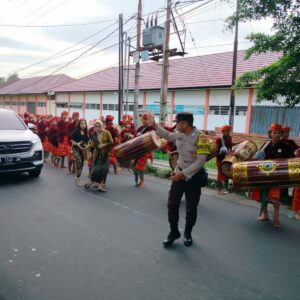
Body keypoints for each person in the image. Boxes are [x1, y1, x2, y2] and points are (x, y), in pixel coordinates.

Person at [148, 112, 210, 247]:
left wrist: (181, 175)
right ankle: (174, 231)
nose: (176, 126)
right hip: (179, 173)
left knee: (191, 208)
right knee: (172, 204)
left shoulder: (201, 138)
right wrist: (154, 125)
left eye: (178, 123)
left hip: (194, 177)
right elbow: (168, 136)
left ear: (185, 124)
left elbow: (200, 162)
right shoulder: (179, 134)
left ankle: (188, 233)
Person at [256, 123, 294, 227]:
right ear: (270, 134)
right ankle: (265, 215)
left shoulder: (286, 146)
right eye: (274, 133)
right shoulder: (266, 145)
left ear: (281, 134)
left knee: (275, 197)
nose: (276, 135)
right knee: (264, 195)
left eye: (278, 133)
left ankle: (276, 218)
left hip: (279, 176)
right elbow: (259, 160)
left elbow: (292, 161)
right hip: (266, 175)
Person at [85, 120, 113, 192]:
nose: (97, 128)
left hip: (105, 154)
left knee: (104, 170)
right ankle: (92, 181)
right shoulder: (93, 134)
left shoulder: (106, 132)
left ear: (102, 126)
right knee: (95, 169)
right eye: (96, 126)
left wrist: (104, 145)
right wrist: (88, 147)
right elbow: (92, 144)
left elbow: (111, 142)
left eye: (99, 126)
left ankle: (101, 185)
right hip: (96, 154)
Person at [133, 114, 154, 188]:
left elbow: (155, 139)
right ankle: (140, 181)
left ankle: (142, 182)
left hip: (146, 150)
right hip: (138, 149)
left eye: (146, 119)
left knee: (140, 166)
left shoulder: (152, 128)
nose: (145, 121)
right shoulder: (140, 128)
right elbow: (135, 138)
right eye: (144, 119)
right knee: (136, 167)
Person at [216, 125, 233, 194]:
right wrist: (224, 153)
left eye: (229, 131)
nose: (229, 132)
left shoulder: (229, 138)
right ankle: (218, 189)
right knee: (220, 174)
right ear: (223, 132)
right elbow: (217, 150)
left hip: (227, 159)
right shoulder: (219, 139)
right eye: (228, 131)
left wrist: (239, 143)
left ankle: (226, 189)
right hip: (220, 158)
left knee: (227, 173)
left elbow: (231, 145)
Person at [71, 119, 89, 187]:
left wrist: (87, 146)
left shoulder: (85, 132)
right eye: (82, 123)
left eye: (84, 123)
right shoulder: (76, 131)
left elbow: (87, 141)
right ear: (79, 124)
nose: (83, 125)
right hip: (75, 149)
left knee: (82, 164)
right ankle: (78, 178)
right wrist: (77, 143)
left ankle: (77, 176)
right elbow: (72, 141)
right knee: (79, 162)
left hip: (82, 150)